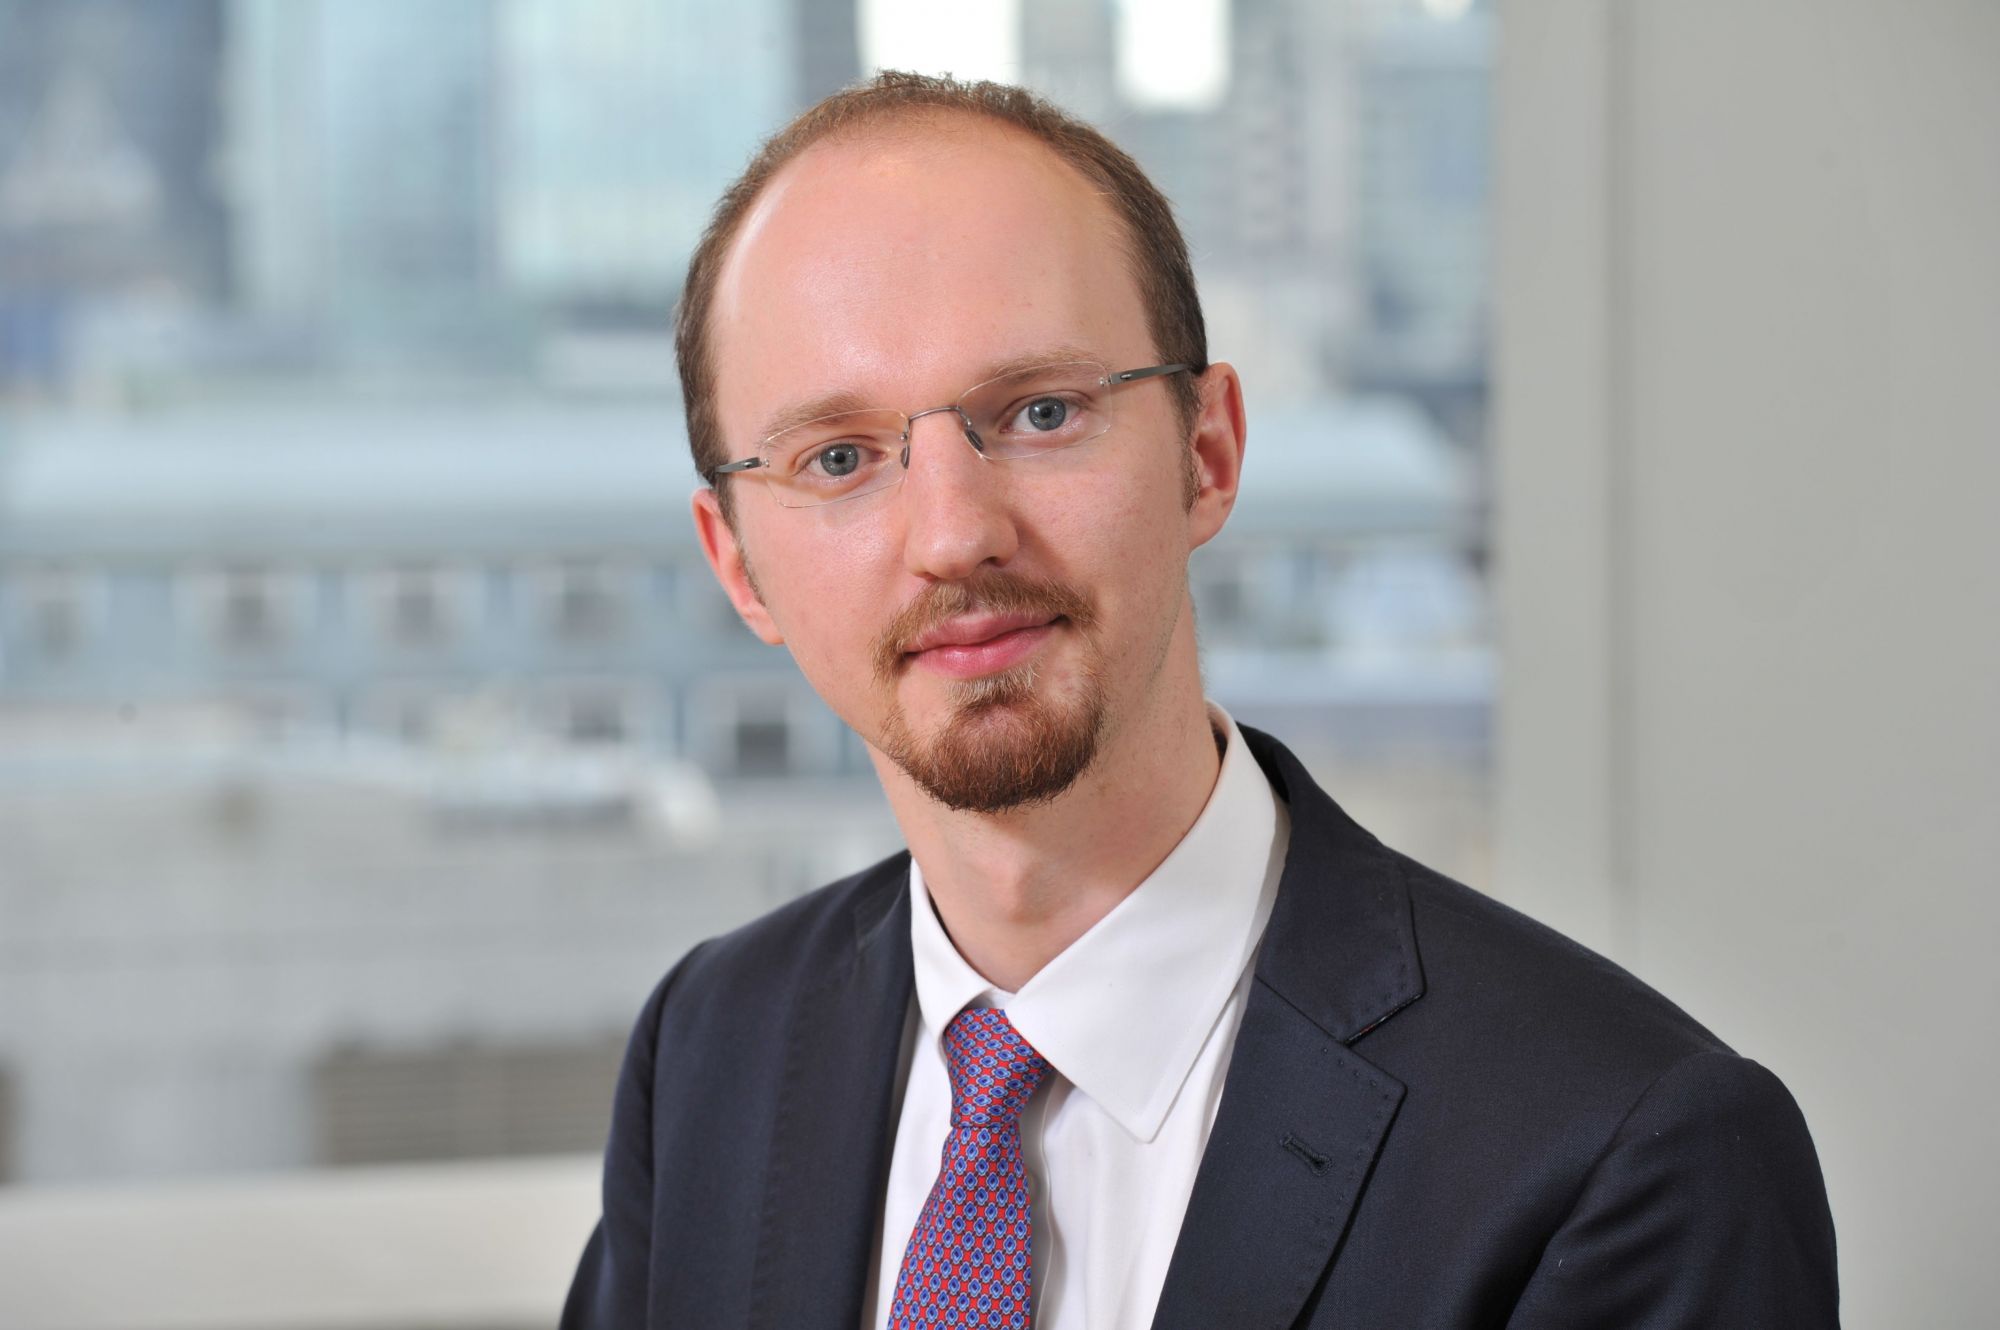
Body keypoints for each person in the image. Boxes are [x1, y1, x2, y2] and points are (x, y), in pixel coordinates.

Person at [562, 72, 1838, 1329]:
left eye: (1041, 411)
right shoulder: (710, 1051)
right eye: (837, 457)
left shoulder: (1626, 1156)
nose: (951, 536)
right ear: (737, 563)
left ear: (1206, 453)